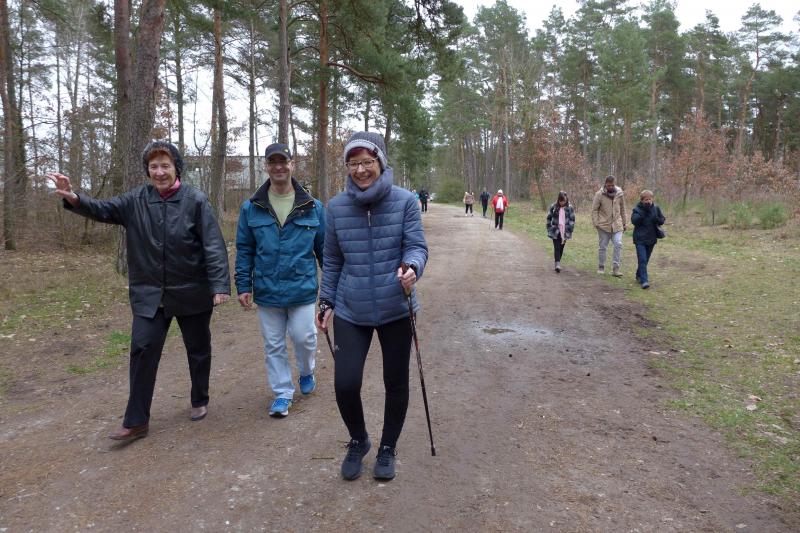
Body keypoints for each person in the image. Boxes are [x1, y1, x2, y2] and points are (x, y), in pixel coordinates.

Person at [47, 141, 230, 442]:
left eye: (165, 165)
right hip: (150, 294)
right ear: (147, 170)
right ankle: (136, 421)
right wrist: (74, 198)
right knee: (142, 350)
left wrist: (219, 285)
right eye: (153, 166)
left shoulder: (195, 200)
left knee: (198, 349)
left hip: (191, 290)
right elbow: (103, 209)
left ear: (176, 168)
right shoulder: (135, 200)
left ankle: (199, 398)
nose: (159, 172)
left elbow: (213, 244)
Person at [316, 131, 428, 482]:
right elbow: (332, 259)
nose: (361, 169)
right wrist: (326, 300)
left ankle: (387, 447)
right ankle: (359, 439)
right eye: (353, 163)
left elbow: (417, 247)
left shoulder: (405, 201)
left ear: (380, 161)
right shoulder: (336, 207)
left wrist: (412, 268)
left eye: (367, 161)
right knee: (345, 383)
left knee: (396, 382)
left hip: (396, 305)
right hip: (352, 308)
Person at [235, 143, 325, 418]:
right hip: (267, 289)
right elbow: (245, 249)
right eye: (272, 162)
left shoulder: (313, 207)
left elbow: (325, 251)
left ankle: (307, 371)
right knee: (273, 344)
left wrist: (333, 290)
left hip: (302, 287)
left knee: (304, 336)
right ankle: (282, 393)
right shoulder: (251, 208)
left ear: (292, 164)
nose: (278, 167)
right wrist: (243, 285)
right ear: (266, 166)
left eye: (283, 161)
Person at [591, 175, 627, 277]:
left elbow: (623, 208)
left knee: (618, 244)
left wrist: (624, 223)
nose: (610, 187)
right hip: (603, 225)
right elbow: (594, 210)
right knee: (602, 247)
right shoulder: (599, 194)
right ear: (605, 184)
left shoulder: (619, 193)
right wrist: (596, 223)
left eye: (612, 185)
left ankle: (616, 269)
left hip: (617, 225)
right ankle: (601, 266)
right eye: (609, 185)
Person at [631, 190, 665, 289]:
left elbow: (662, 220)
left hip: (651, 239)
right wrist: (644, 212)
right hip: (639, 239)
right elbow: (634, 221)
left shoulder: (656, 208)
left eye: (650, 199)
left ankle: (639, 274)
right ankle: (644, 281)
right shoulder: (637, 209)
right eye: (646, 200)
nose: (648, 201)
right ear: (642, 200)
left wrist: (657, 219)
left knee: (645, 260)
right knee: (642, 259)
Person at [546, 191, 576, 273]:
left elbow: (572, 219)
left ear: (566, 200)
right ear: (558, 200)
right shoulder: (553, 207)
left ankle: (558, 261)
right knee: (557, 247)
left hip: (565, 231)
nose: (562, 203)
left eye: (564, 201)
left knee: (561, 247)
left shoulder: (570, 208)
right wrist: (549, 228)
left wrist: (570, 229)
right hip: (555, 230)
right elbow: (549, 218)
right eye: (560, 201)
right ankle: (557, 264)